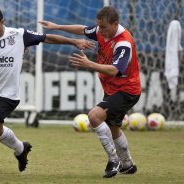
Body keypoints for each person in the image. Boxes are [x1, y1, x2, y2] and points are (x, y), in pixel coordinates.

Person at [0, 7, 93, 173]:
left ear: (2, 22)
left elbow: (48, 38)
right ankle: (21, 149)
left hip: (8, 96)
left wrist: (73, 41)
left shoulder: (18, 35)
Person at [39, 6, 141, 178]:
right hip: (113, 89)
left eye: (104, 27)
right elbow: (82, 29)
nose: (100, 31)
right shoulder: (103, 30)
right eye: (99, 27)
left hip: (127, 90)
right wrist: (56, 26)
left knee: (94, 116)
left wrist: (89, 65)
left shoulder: (123, 42)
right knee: (113, 128)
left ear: (115, 24)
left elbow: (114, 70)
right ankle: (128, 164)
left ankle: (113, 160)